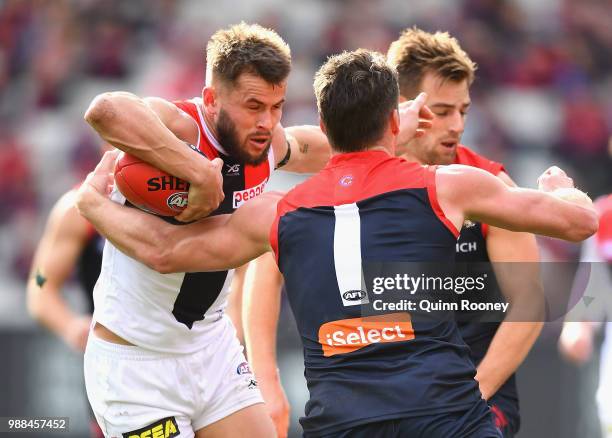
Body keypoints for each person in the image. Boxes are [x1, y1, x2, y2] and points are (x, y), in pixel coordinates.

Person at [77, 49, 597, 437]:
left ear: (320, 122)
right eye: (440, 109)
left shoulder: (284, 211)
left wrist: (95, 205)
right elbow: (574, 239)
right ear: (399, 120)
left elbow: (173, 252)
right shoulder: (459, 185)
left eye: (277, 109)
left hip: (344, 416)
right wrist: (565, 193)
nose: (454, 125)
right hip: (445, 410)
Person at [242, 27, 544, 437]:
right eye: (441, 110)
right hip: (375, 398)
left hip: (473, 394)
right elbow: (278, 157)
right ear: (401, 108)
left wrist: (470, 395)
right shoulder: (352, 166)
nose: (455, 126)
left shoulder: (484, 184)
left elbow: (529, 304)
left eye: (464, 110)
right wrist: (267, 382)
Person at [79, 22, 348, 438]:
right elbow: (105, 110)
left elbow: (312, 146)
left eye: (276, 107)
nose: (266, 122)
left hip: (212, 349)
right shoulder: (181, 126)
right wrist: (199, 175)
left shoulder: (266, 144)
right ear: (210, 99)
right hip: (137, 365)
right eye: (253, 105)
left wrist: (384, 138)